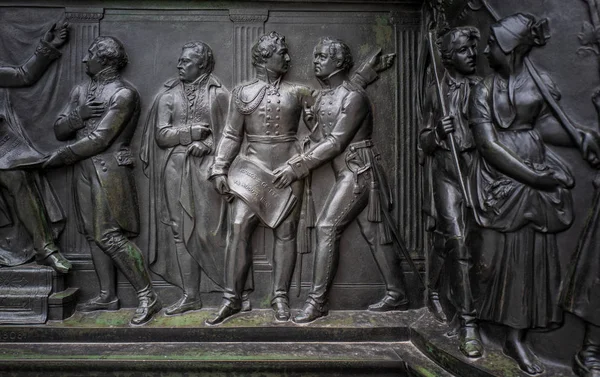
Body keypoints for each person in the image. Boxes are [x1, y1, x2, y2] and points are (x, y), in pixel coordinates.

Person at [208, 32, 386, 325]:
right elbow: (230, 135)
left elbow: (334, 110)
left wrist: (361, 78)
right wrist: (219, 167)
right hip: (251, 170)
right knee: (239, 225)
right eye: (282, 54)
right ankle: (231, 298)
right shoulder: (242, 93)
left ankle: (280, 296)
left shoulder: (301, 92)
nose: (289, 59)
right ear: (266, 57)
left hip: (289, 169)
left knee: (286, 232)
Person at [468, 13, 600, 374]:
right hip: (500, 180)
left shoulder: (539, 84)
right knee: (492, 260)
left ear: (509, 48)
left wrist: (582, 136)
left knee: (528, 261)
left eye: (492, 42)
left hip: (534, 171)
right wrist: (533, 178)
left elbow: (545, 127)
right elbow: (488, 144)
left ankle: (516, 337)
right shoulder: (482, 90)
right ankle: (472, 322)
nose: (485, 48)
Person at [272, 37, 408, 324]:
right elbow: (323, 138)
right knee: (374, 233)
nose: (315, 61)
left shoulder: (353, 97)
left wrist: (297, 166)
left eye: (322, 56)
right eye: (315, 56)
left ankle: (317, 302)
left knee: (326, 227)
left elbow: (336, 142)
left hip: (359, 172)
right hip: (345, 171)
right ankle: (397, 293)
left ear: (339, 62)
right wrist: (312, 126)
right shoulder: (323, 97)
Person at [45, 36, 161, 325]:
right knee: (91, 234)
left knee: (109, 234)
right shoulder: (81, 91)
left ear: (105, 60)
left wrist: (58, 157)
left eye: (90, 54)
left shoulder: (124, 94)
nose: (84, 59)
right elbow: (59, 128)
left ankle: (148, 295)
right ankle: (107, 295)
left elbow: (101, 139)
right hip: (83, 170)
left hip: (109, 171)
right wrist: (77, 116)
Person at [140, 41, 238, 315]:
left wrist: (209, 146)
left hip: (208, 170)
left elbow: (232, 135)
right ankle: (191, 295)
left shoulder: (219, 94)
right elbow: (161, 135)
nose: (180, 64)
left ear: (202, 65)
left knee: (210, 232)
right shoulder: (167, 97)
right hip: (174, 169)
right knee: (178, 230)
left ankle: (231, 293)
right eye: (180, 60)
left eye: (187, 61)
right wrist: (191, 133)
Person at [419, 26, 483, 357]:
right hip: (447, 171)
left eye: (473, 49)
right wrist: (438, 134)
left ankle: (441, 292)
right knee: (457, 239)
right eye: (462, 51)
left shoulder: (482, 88)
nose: (471, 55)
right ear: (448, 57)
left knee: (466, 241)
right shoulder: (436, 92)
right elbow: (424, 140)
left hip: (477, 169)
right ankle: (469, 324)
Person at [0, 22, 71, 273]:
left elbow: (24, 75)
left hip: (2, 147)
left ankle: (46, 249)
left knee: (18, 178)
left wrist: (48, 46)